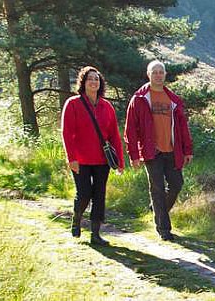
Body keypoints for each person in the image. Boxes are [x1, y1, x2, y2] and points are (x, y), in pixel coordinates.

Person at [124, 60, 193, 241]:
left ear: (165, 74)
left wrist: (188, 150)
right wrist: (134, 155)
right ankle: (164, 229)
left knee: (177, 184)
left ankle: (158, 209)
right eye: (154, 72)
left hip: (172, 150)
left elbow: (182, 127)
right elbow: (131, 129)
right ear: (148, 74)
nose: (158, 75)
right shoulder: (139, 98)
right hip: (151, 151)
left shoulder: (173, 99)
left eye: (161, 72)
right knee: (157, 189)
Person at [61, 66, 124, 246]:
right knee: (84, 194)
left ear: (100, 83)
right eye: (90, 79)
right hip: (80, 160)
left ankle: (95, 234)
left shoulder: (107, 106)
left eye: (97, 79)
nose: (94, 82)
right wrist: (71, 158)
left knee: (99, 195)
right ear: (83, 82)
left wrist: (119, 160)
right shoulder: (73, 104)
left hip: (102, 161)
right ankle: (77, 217)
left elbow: (114, 136)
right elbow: (67, 133)